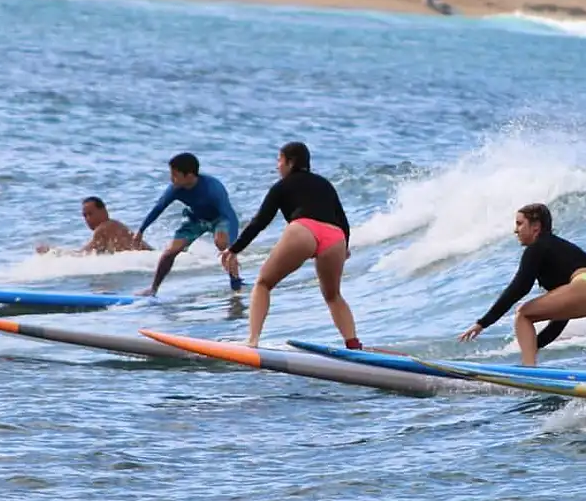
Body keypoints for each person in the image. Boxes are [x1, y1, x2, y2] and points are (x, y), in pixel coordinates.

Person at [459, 203, 586, 370]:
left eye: (520, 224)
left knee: (523, 313)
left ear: (536, 226)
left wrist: (483, 323)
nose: (515, 230)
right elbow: (560, 319)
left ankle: (529, 373)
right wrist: (534, 345)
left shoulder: (537, 247)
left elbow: (519, 287)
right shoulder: (559, 248)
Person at [220, 142, 360, 350]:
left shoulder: (282, 186)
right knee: (333, 295)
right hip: (335, 237)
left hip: (303, 231)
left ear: (290, 162)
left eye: (279, 160)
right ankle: (353, 344)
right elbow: (343, 221)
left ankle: (253, 340)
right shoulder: (325, 184)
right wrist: (344, 246)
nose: (277, 166)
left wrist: (234, 249)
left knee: (263, 283)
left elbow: (260, 221)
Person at [133, 153, 241, 296]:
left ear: (189, 176)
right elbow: (158, 208)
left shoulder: (213, 189)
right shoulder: (175, 189)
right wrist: (141, 230)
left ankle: (235, 283)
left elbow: (229, 216)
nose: (171, 179)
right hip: (195, 219)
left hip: (220, 218)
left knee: (222, 243)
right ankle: (153, 289)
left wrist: (232, 248)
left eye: (175, 175)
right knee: (169, 252)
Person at [36, 196, 151, 255]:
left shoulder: (105, 228)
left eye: (90, 214)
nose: (88, 219)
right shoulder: (114, 225)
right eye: (84, 216)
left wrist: (52, 253)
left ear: (104, 211)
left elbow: (83, 256)